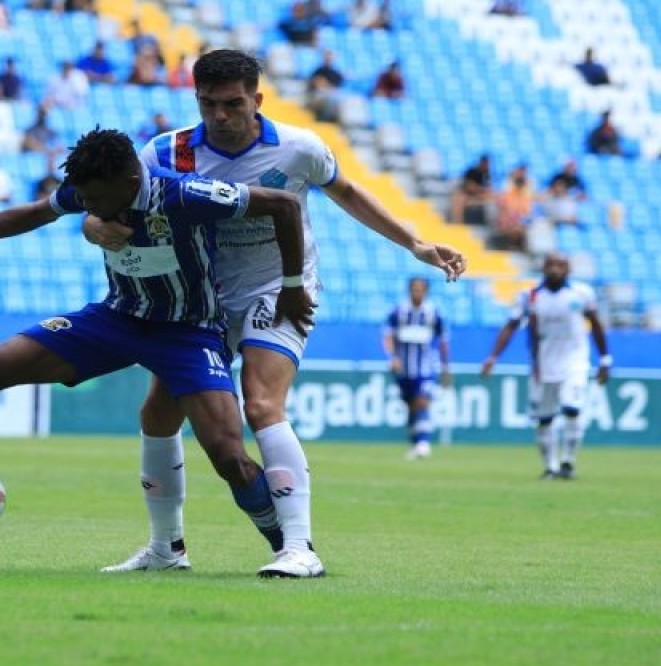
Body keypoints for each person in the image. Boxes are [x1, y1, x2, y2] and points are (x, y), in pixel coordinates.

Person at [0, 128, 317, 577]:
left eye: (96, 200)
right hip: (116, 319)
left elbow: (281, 203)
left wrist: (293, 286)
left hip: (187, 332)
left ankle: (288, 549)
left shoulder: (183, 194)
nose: (88, 209)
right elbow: (33, 213)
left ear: (130, 183)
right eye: (85, 199)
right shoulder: (92, 190)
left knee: (228, 456)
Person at [82, 49, 466, 577]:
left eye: (233, 104)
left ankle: (300, 548)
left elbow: (348, 194)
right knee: (157, 414)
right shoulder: (165, 154)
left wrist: (417, 245)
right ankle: (165, 549)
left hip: (279, 287)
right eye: (209, 104)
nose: (220, 115)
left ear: (257, 99)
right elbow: (107, 207)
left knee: (261, 403)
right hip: (203, 299)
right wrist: (94, 227)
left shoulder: (298, 148)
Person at [481, 252, 610, 480]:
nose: (554, 269)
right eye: (550, 265)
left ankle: (568, 462)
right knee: (544, 419)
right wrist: (493, 357)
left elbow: (596, 324)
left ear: (568, 269)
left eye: (560, 265)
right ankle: (550, 466)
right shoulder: (529, 296)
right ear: (543, 268)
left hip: (575, 360)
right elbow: (511, 326)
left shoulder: (581, 293)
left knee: (572, 408)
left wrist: (605, 359)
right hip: (543, 365)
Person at [383, 277, 450, 459]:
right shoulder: (398, 311)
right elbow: (388, 336)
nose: (417, 292)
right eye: (414, 289)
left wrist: (446, 367)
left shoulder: (434, 312)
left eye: (420, 289)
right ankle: (416, 442)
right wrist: (392, 357)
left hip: (426, 367)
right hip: (403, 369)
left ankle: (423, 442)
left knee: (422, 401)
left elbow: (443, 341)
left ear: (426, 291)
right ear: (409, 290)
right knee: (411, 406)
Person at [449, 154, 492, 225]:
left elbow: (487, 188)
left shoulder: (487, 174)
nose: (487, 165)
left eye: (488, 164)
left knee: (492, 197)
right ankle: (458, 224)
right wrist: (479, 189)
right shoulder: (471, 171)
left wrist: (479, 190)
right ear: (481, 162)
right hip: (466, 195)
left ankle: (489, 223)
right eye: (486, 163)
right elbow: (469, 187)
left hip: (478, 196)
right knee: (459, 199)